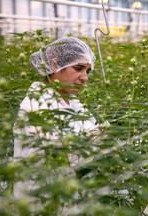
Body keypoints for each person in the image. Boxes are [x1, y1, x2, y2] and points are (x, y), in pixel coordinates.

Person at [13, 36, 105, 199]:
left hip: (73, 195)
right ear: (54, 64)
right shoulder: (36, 106)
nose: (85, 78)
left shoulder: (73, 103)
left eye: (87, 71)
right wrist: (96, 140)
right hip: (42, 200)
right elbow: (55, 160)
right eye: (78, 68)